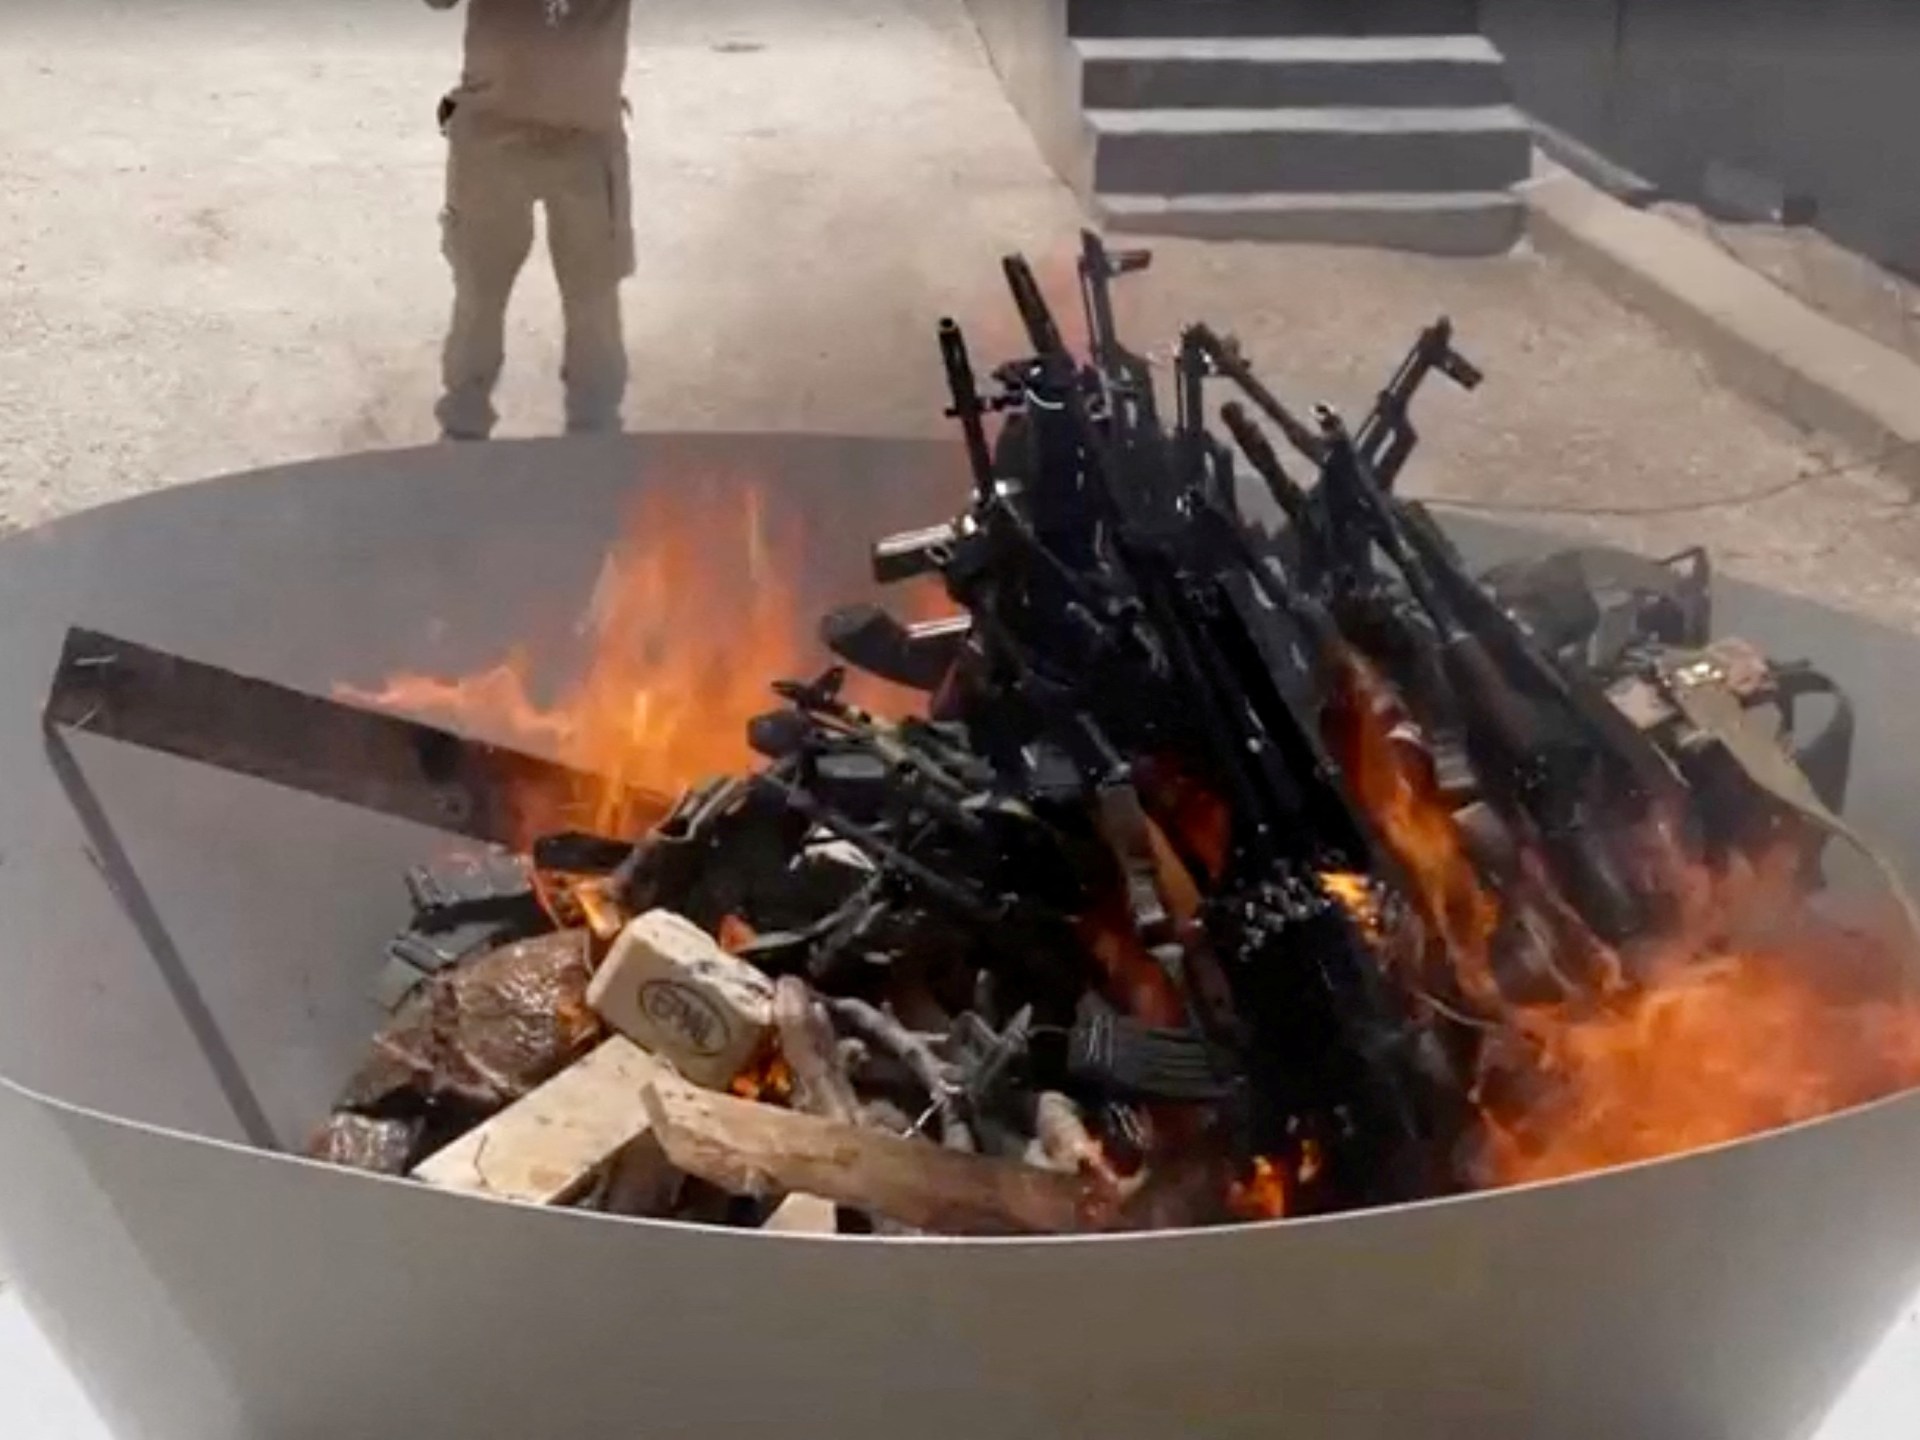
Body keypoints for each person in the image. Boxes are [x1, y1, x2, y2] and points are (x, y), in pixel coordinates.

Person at [424, 0, 635, 440]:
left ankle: (594, 437)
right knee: (480, 294)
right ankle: (463, 434)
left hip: (584, 138)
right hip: (495, 135)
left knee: (592, 299)